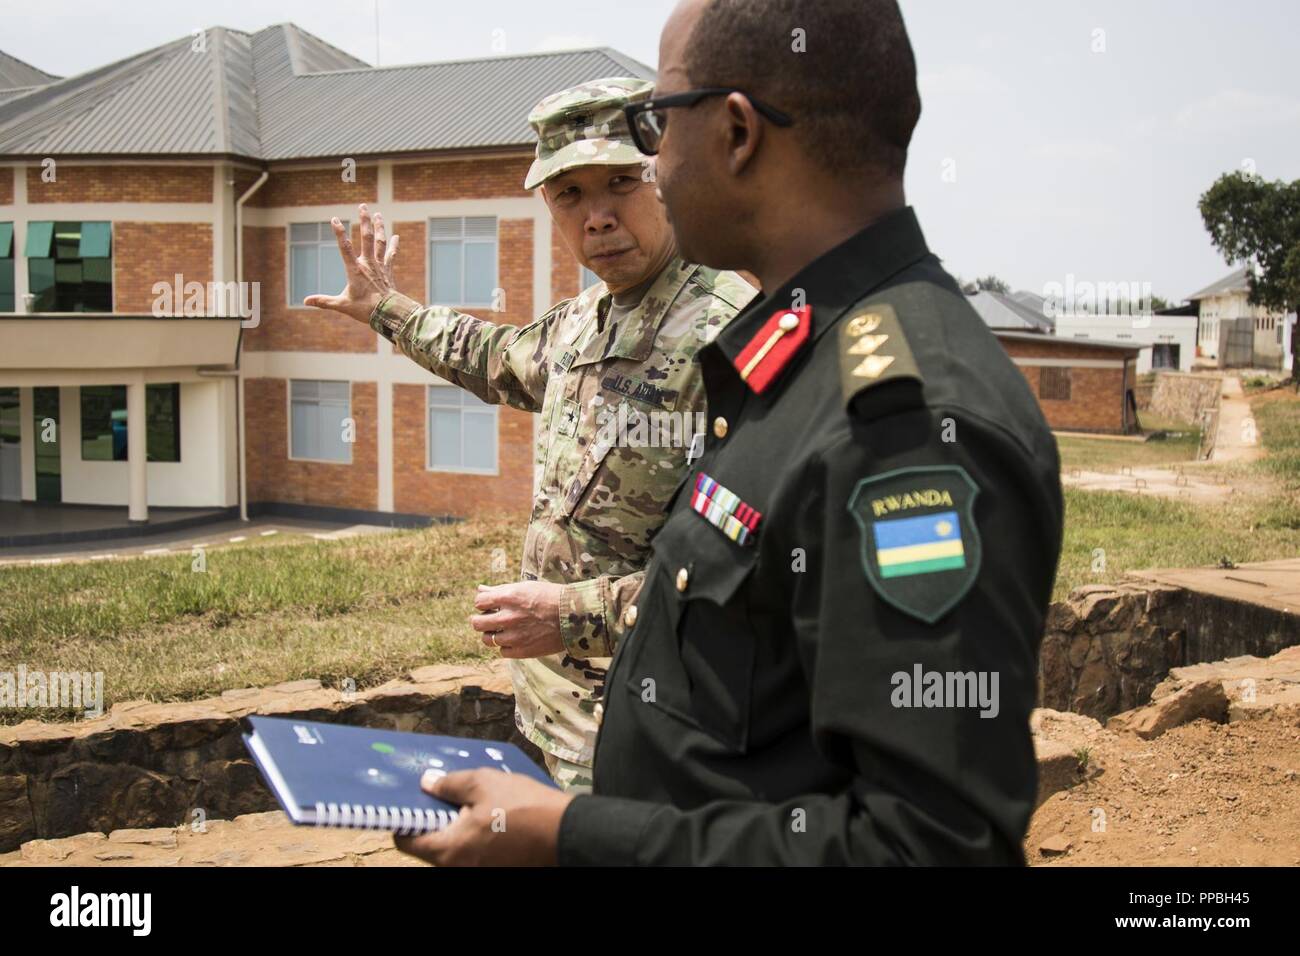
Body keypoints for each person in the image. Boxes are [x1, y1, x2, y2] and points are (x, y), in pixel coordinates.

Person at [394, 0, 1064, 866]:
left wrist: (569, 835)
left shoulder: (907, 427)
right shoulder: (793, 358)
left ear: (737, 132)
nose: (653, 160)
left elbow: (925, 845)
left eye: (656, 124)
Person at [304, 77, 756, 792]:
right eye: (569, 195)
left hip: (660, 737)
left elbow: (755, 575)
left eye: (620, 183)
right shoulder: (585, 320)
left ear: (666, 177)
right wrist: (384, 308)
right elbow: (491, 357)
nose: (598, 217)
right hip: (558, 722)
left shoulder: (731, 335)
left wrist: (570, 613)